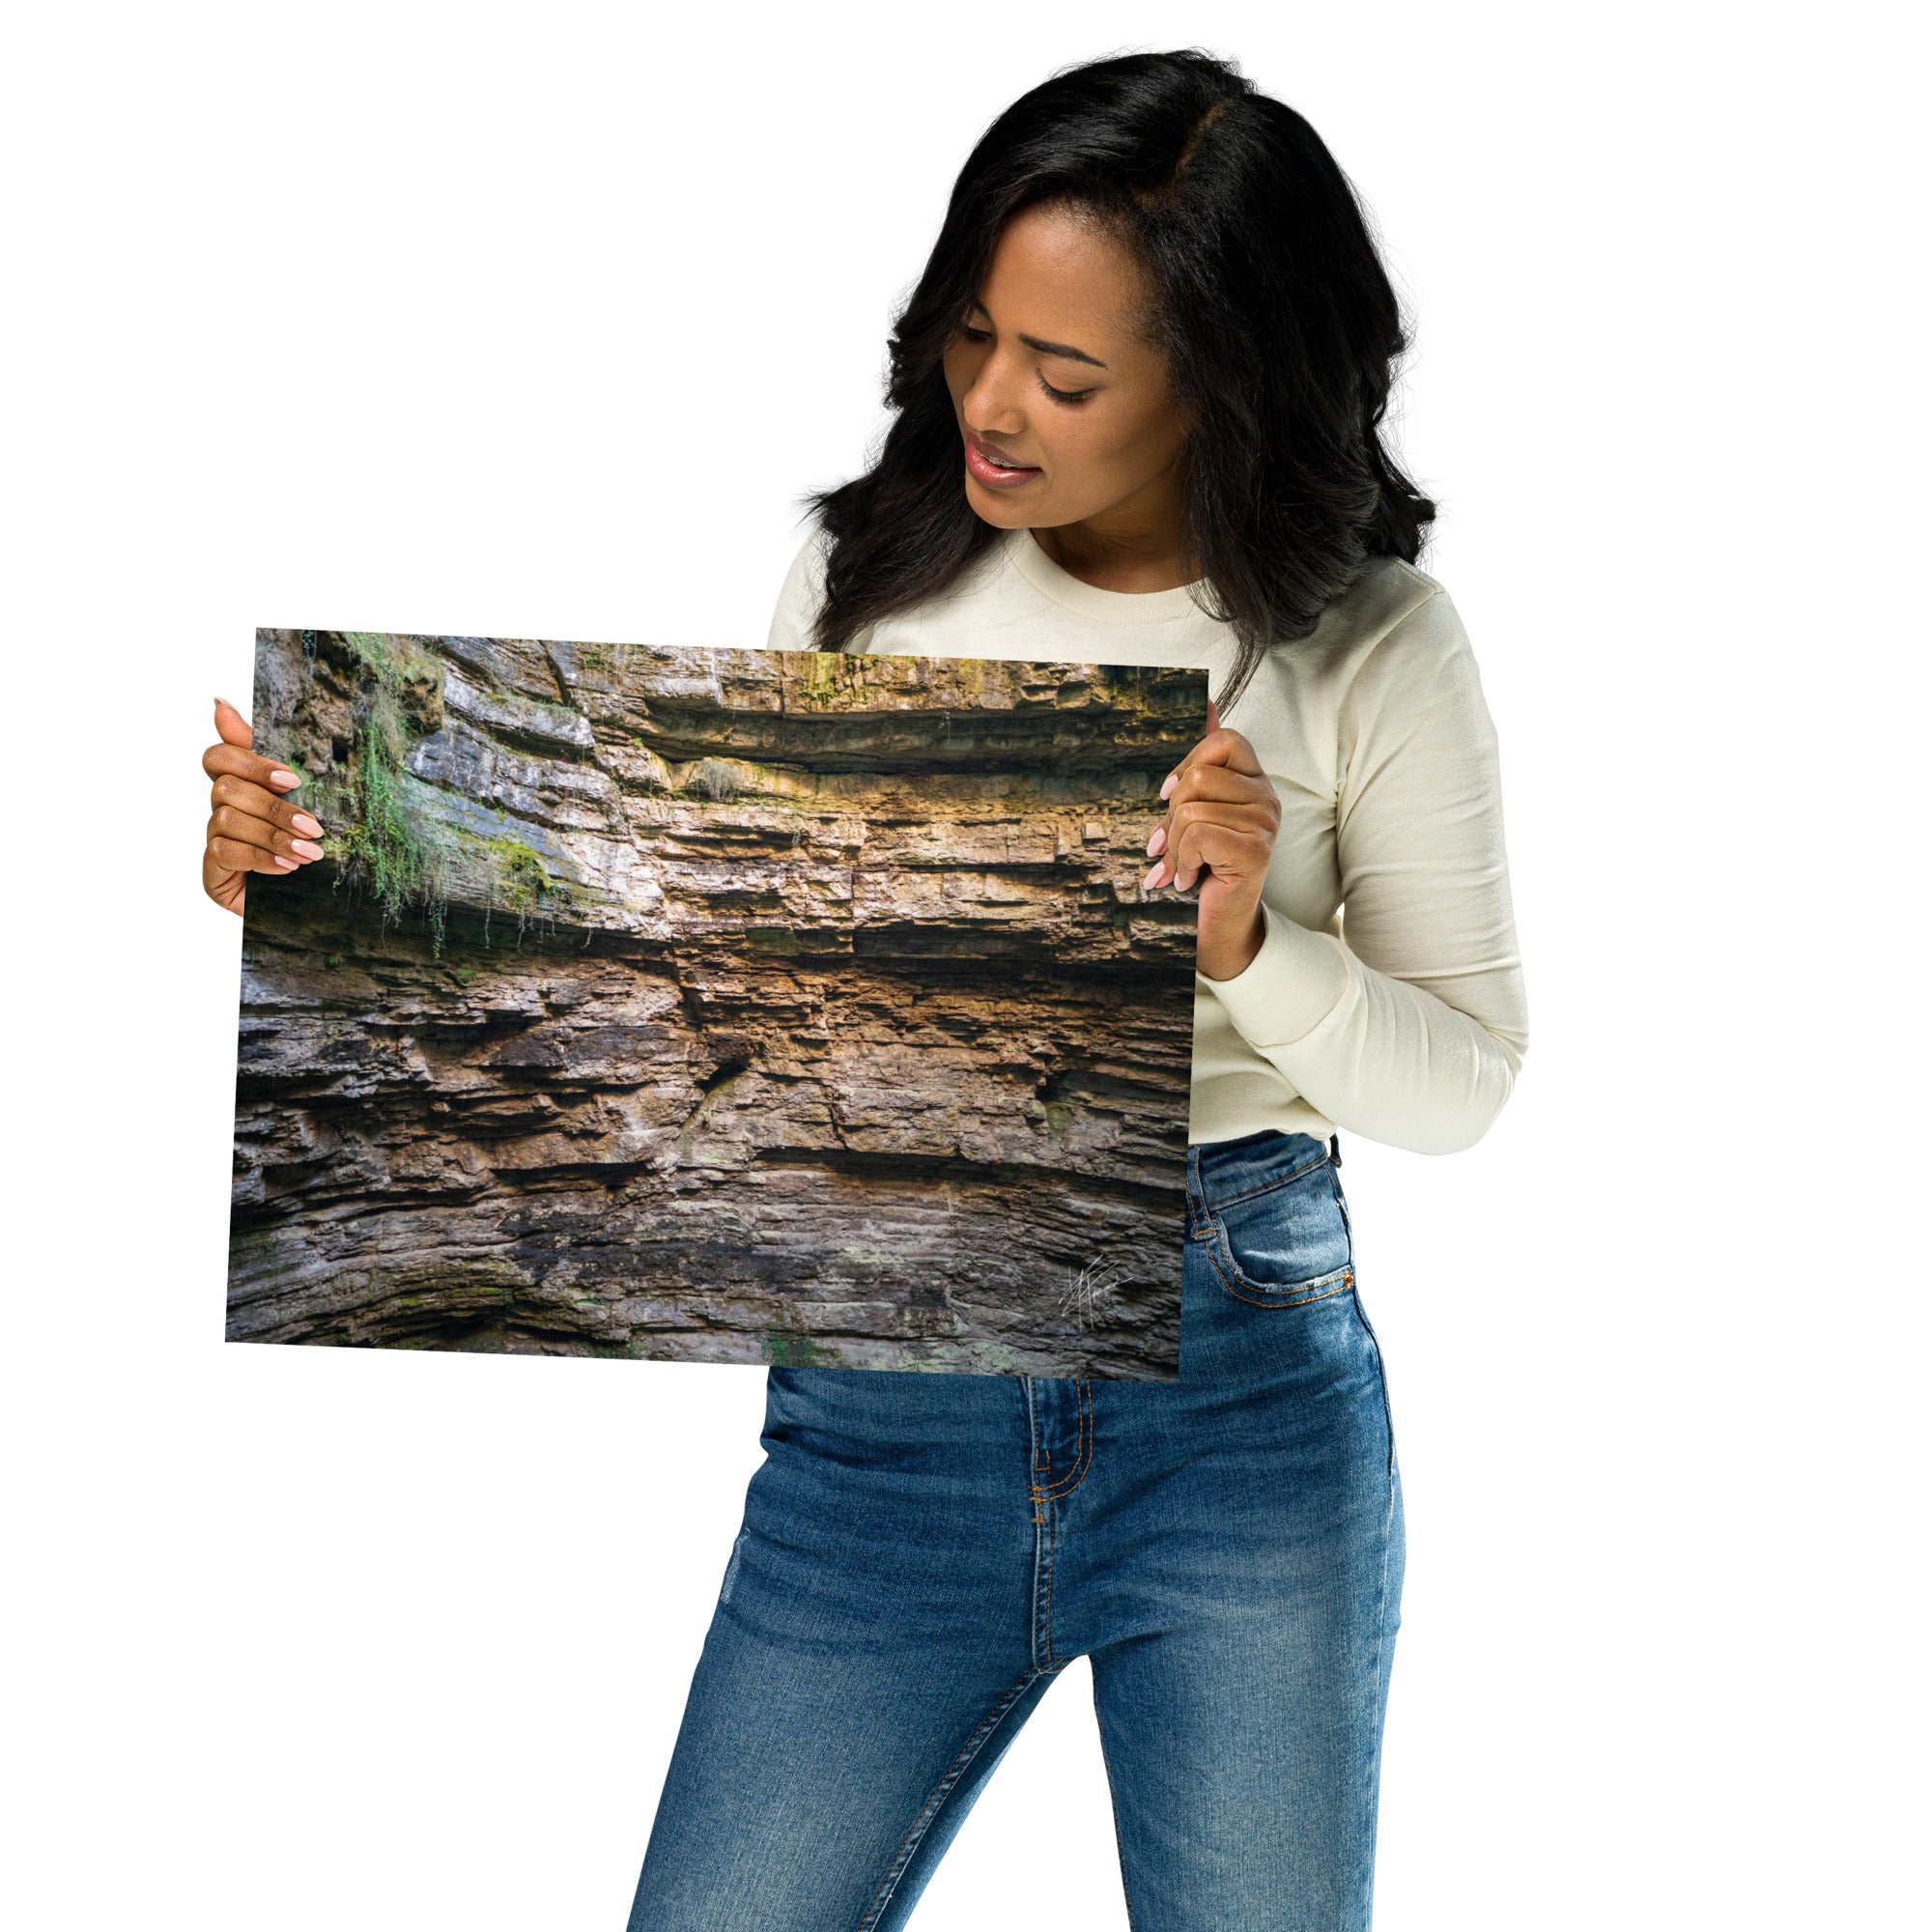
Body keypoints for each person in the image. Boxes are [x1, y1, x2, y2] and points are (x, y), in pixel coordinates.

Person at [199, 48, 1528, 1932]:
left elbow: (1465, 1081)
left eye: (1065, 375)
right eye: (972, 334)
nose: (991, 402)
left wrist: (1249, 944)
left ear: (1222, 379)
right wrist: (333, 881)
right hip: (880, 1421)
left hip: (1236, 1394)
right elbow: (707, 990)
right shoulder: (862, 576)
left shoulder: (1371, 641)